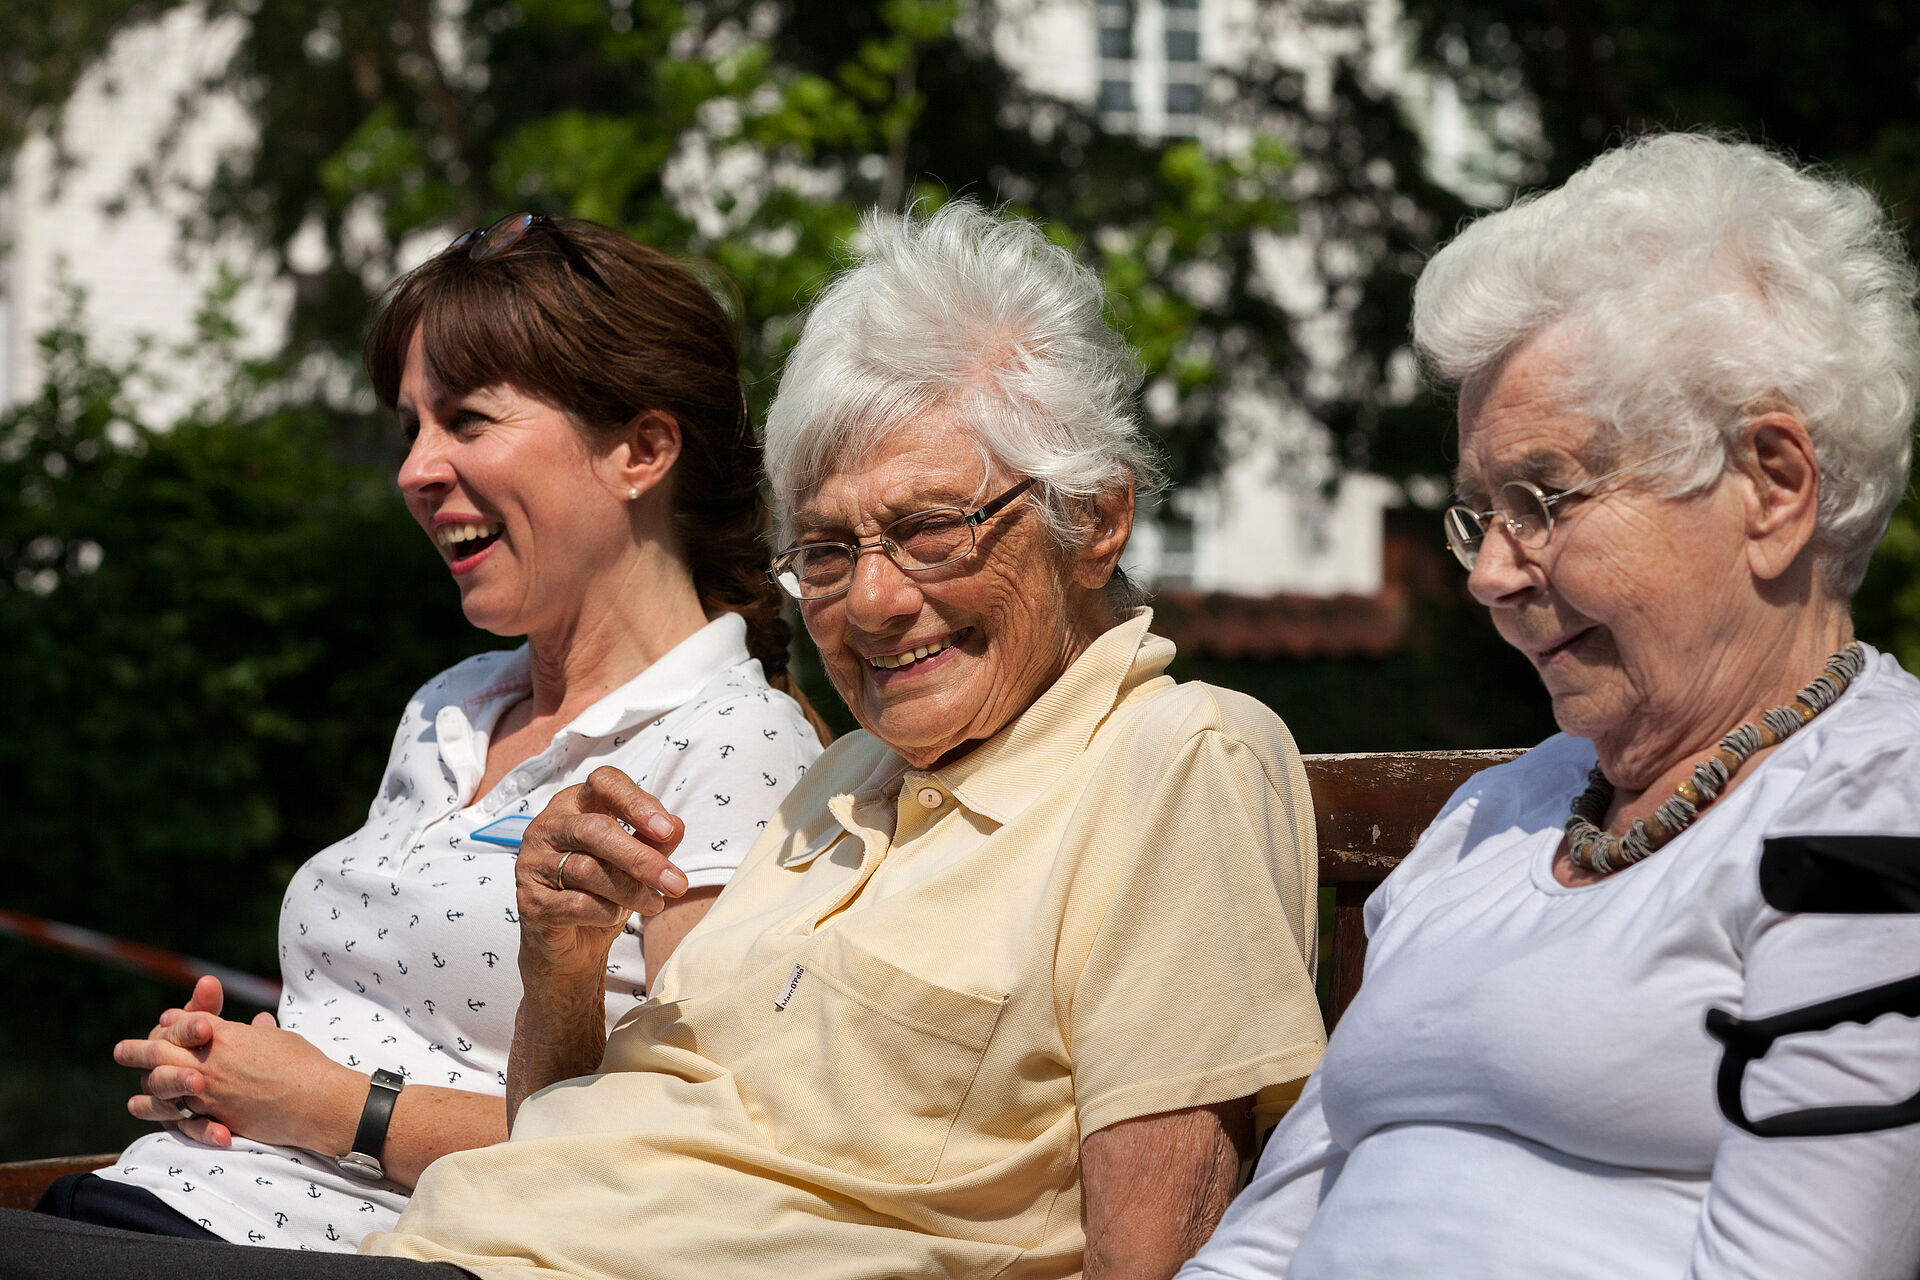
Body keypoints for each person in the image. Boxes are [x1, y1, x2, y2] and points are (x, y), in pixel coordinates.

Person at [0, 200, 1326, 1280]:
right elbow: (572, 1123)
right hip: (427, 1242)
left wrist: (349, 1111)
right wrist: (563, 956)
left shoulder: (1178, 758)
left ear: (1096, 519)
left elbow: (1159, 1247)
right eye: (827, 549)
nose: (869, 600)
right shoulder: (845, 786)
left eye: (932, 530)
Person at [1179, 133, 1920, 1280]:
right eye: (1480, 511)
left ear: (1773, 484)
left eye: (1543, 497)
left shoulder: (1879, 815)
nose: (1489, 573)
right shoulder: (1497, 813)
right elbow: (1277, 1226)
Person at [37, 214, 823, 1253]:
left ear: (641, 448)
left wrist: (335, 1104)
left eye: (466, 419)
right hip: (152, 1207)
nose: (415, 468)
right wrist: (221, 1066)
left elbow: (696, 1150)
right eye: (411, 425)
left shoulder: (735, 740)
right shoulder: (448, 707)